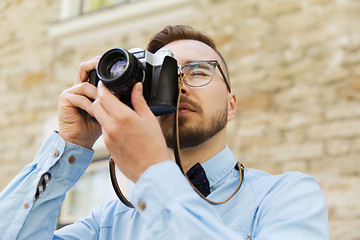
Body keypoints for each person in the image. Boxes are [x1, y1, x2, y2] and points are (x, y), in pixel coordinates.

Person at [0, 25, 329, 239]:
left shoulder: (286, 195)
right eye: (165, 74)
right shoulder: (106, 224)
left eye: (198, 71)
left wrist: (152, 173)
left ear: (231, 105)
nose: (180, 84)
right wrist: (70, 145)